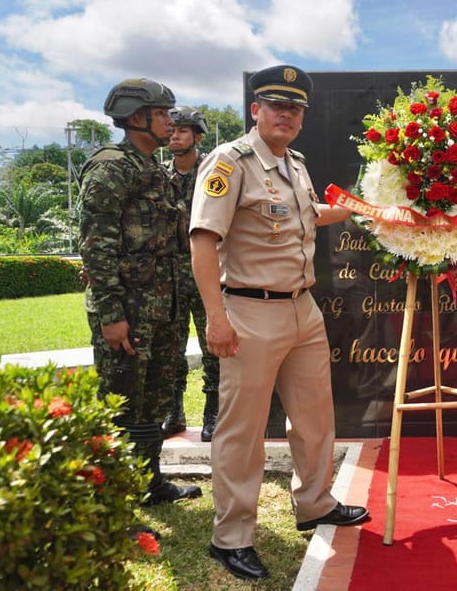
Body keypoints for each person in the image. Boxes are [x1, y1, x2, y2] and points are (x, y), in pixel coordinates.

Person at [190, 65, 368, 581]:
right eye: (276, 105)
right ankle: (231, 536)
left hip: (302, 309)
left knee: (314, 416)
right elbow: (203, 241)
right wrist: (216, 319)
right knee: (241, 431)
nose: (286, 114)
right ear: (256, 110)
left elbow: (310, 213)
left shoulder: (294, 163)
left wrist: (364, 208)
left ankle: (314, 503)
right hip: (247, 311)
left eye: (294, 108)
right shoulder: (230, 162)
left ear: (302, 117)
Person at [79, 78, 202, 507]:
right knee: (121, 407)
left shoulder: (153, 169)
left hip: (161, 309)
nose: (171, 121)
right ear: (137, 117)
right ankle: (113, 501)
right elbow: (96, 245)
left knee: (153, 402)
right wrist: (111, 315)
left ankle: (149, 483)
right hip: (127, 313)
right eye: (163, 113)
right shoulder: (112, 167)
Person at [161, 106, 221, 442]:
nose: (174, 137)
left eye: (182, 131)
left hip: (206, 273)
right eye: (171, 131)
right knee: (172, 347)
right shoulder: (158, 175)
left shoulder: (212, 174)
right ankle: (175, 410)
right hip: (169, 277)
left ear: (197, 137)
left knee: (212, 345)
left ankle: (213, 409)